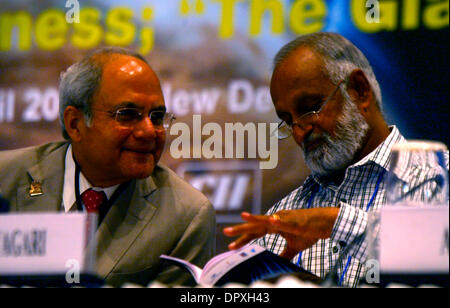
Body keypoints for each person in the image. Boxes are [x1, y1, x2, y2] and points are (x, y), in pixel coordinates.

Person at [223, 32, 445, 287]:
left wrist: (337, 223)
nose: (299, 131)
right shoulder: (282, 219)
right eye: (287, 120)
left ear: (360, 91)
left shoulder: (439, 177)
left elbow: (435, 255)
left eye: (309, 107)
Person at [0, 47, 216, 287]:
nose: (148, 132)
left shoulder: (186, 217)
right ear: (75, 124)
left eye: (156, 116)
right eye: (128, 114)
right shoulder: (5, 177)